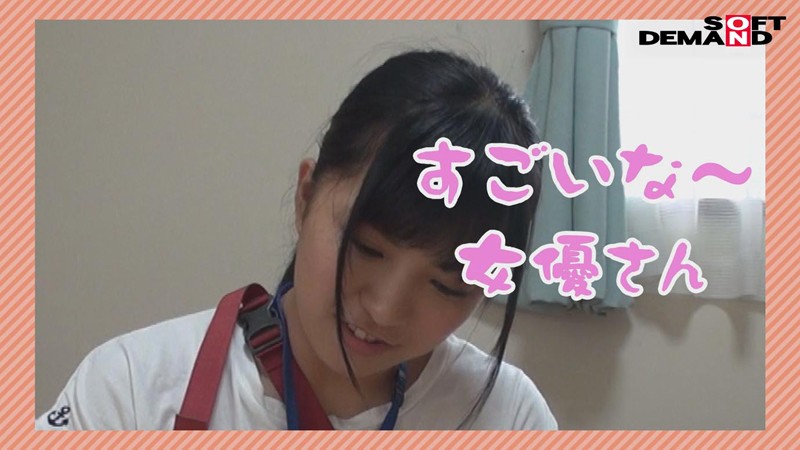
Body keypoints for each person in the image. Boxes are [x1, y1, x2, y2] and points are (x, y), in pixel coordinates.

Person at [36, 49, 557, 430]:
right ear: (306, 197)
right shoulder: (130, 391)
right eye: (367, 248)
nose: (384, 308)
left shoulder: (507, 417)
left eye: (445, 285)